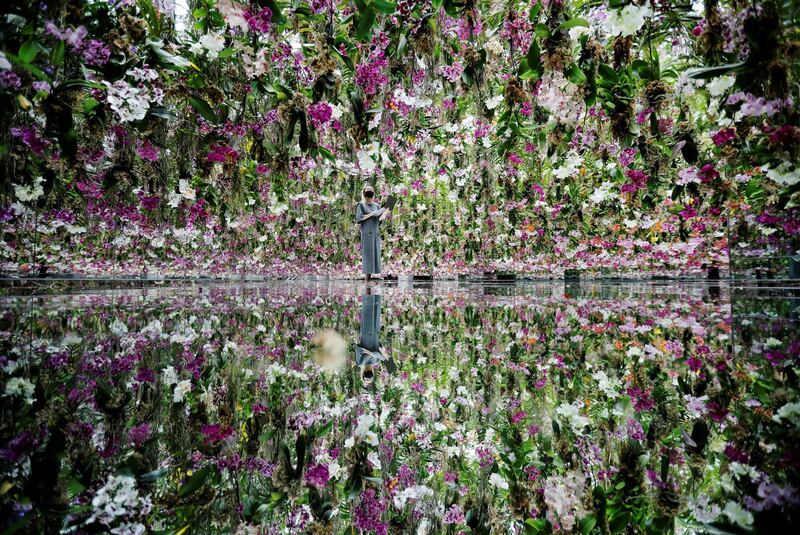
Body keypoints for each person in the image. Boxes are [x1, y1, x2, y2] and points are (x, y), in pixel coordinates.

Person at [355, 183, 388, 282]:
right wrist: (371, 214)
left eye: (371, 191)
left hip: (375, 233)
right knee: (368, 255)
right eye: (368, 191)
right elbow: (359, 218)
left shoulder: (377, 206)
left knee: (374, 255)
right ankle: (367, 281)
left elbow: (380, 220)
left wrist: (384, 214)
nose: (370, 193)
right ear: (364, 194)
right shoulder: (361, 205)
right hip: (366, 234)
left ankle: (370, 279)